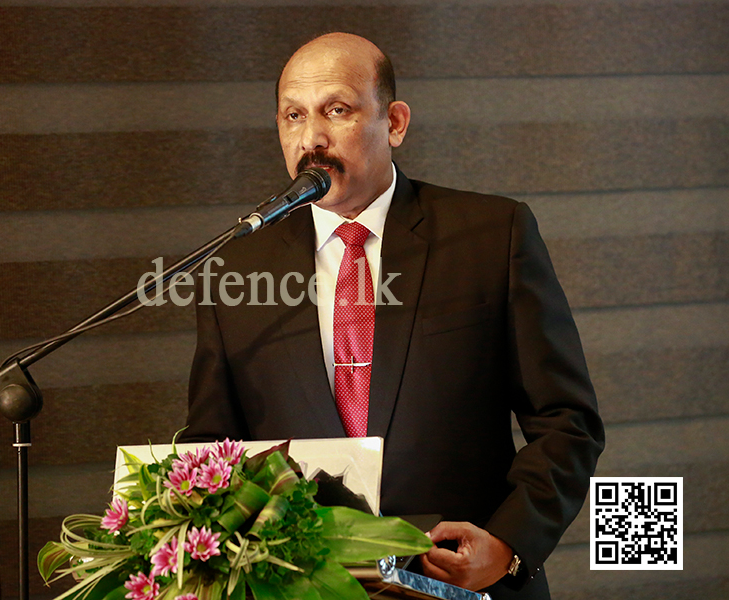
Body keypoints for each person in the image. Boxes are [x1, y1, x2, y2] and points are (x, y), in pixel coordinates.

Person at [180, 32, 604, 600]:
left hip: (459, 580)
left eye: (337, 110)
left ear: (395, 123)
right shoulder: (236, 264)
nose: (313, 138)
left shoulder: (491, 233)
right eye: (292, 116)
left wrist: (508, 545)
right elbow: (213, 447)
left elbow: (567, 421)